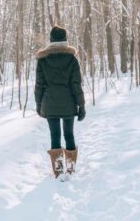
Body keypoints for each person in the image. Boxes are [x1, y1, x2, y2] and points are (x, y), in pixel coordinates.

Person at [34, 25, 86, 179]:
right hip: (69, 103)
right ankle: (70, 169)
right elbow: (76, 84)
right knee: (69, 134)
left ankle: (58, 171)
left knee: (54, 135)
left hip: (49, 104)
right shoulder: (72, 59)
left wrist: (38, 104)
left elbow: (39, 85)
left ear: (51, 41)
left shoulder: (43, 60)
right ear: (65, 41)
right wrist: (81, 105)